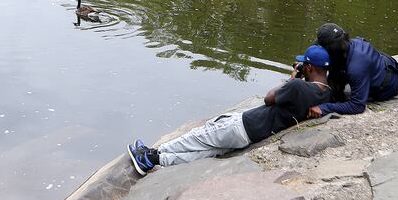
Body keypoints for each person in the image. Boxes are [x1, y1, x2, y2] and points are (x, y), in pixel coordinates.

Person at [127, 45, 333, 175]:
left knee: (196, 138)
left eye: (302, 65)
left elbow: (269, 98)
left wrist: (292, 78)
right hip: (253, 136)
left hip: (244, 125)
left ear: (308, 68)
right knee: (205, 153)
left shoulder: (297, 86)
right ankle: (155, 160)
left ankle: (151, 155)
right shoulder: (327, 95)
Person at [308, 23, 398, 118]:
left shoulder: (356, 67)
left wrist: (324, 108)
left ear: (331, 49)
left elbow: (357, 106)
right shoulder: (343, 48)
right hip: (379, 63)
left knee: (337, 91)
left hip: (389, 85)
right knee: (333, 83)